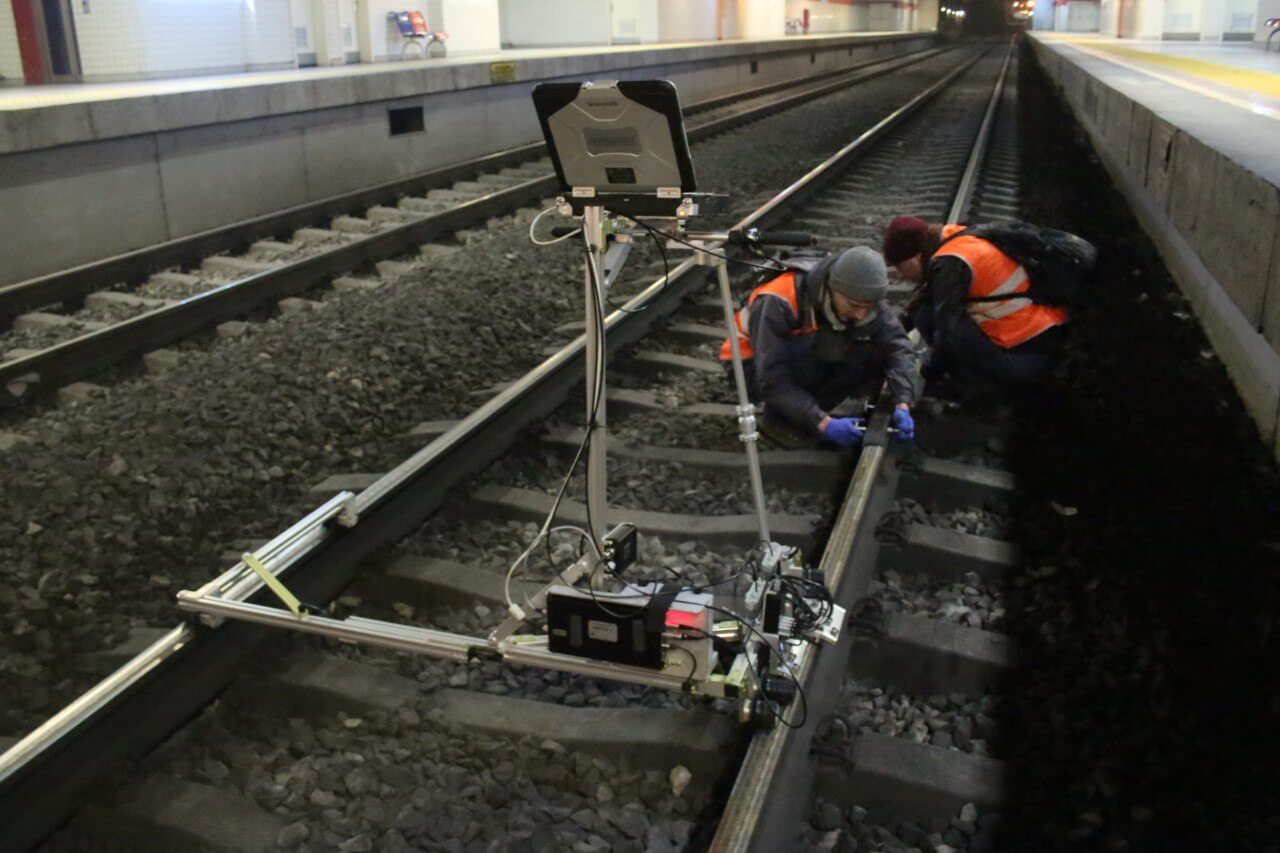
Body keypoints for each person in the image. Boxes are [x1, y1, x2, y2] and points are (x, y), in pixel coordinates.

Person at [719, 245, 916, 448]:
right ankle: (778, 421)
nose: (860, 314)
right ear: (832, 289)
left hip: (798, 352)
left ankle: (809, 408)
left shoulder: (862, 296)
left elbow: (899, 347)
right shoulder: (777, 300)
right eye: (854, 305)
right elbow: (771, 379)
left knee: (874, 355)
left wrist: (903, 402)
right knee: (811, 354)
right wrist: (823, 424)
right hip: (750, 367)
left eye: (868, 307)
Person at [882, 216, 1069, 386]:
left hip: (1029, 354)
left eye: (899, 266)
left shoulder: (949, 264)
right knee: (924, 310)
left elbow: (950, 332)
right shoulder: (954, 237)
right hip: (1042, 333)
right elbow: (927, 294)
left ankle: (981, 388)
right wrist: (887, 331)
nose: (899, 275)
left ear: (915, 257)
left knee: (932, 322)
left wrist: (928, 370)